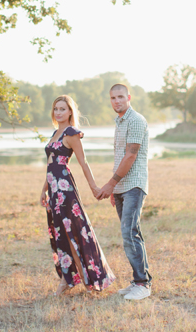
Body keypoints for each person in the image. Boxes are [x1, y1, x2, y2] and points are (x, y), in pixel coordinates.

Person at [40, 95, 115, 296]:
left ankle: (83, 278)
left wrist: (93, 187)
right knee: (59, 233)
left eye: (62, 109)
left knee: (71, 231)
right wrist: (43, 190)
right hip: (53, 191)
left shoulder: (72, 133)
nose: (58, 112)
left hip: (65, 190)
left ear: (70, 111)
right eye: (56, 108)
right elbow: (50, 164)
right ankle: (68, 278)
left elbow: (83, 162)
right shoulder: (55, 132)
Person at [95, 83, 152, 300]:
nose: (116, 101)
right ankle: (138, 280)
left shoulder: (136, 120)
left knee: (130, 233)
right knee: (130, 233)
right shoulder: (119, 122)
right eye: (113, 98)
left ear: (128, 97)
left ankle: (143, 284)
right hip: (121, 187)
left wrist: (110, 184)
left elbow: (130, 156)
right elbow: (119, 156)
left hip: (134, 185)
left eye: (120, 97)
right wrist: (115, 189)